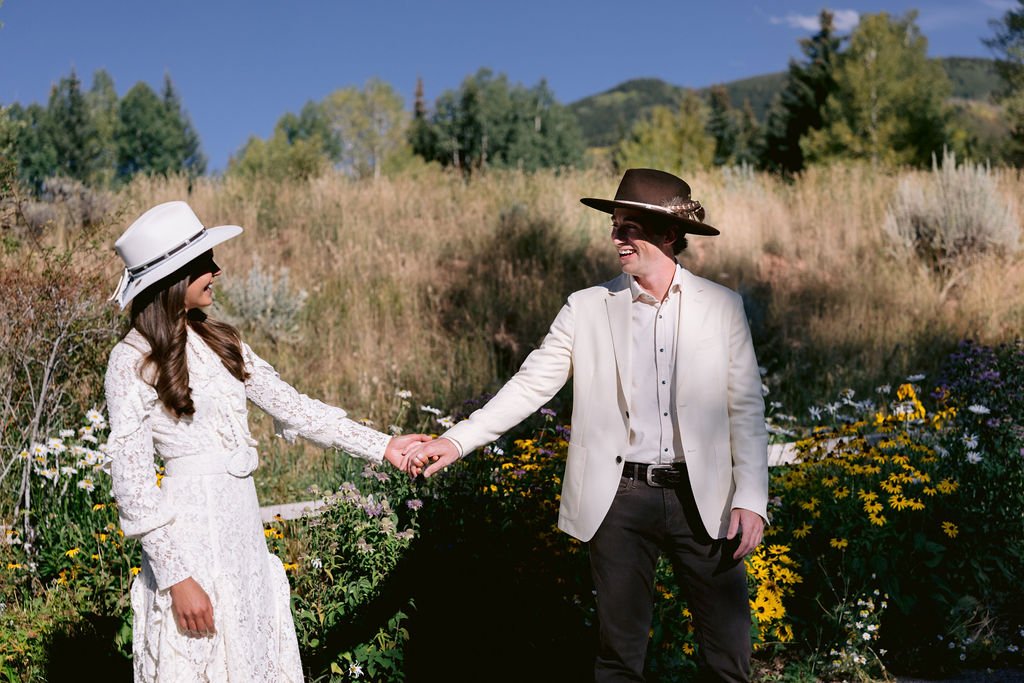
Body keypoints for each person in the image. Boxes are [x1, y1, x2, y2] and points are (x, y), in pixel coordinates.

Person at [407, 168, 769, 682]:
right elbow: (531, 385)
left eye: (629, 227)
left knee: (728, 656)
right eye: (615, 225)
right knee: (619, 657)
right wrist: (457, 439)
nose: (616, 237)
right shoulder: (586, 308)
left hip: (704, 497)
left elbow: (746, 409)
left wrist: (751, 498)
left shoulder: (723, 307)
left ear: (669, 235)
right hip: (619, 500)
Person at [103, 200, 426, 682]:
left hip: (241, 527)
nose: (217, 270)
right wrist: (176, 578)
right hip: (189, 535)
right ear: (173, 280)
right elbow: (132, 485)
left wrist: (383, 446)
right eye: (202, 264)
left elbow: (295, 407)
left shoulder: (220, 341)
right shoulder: (129, 361)